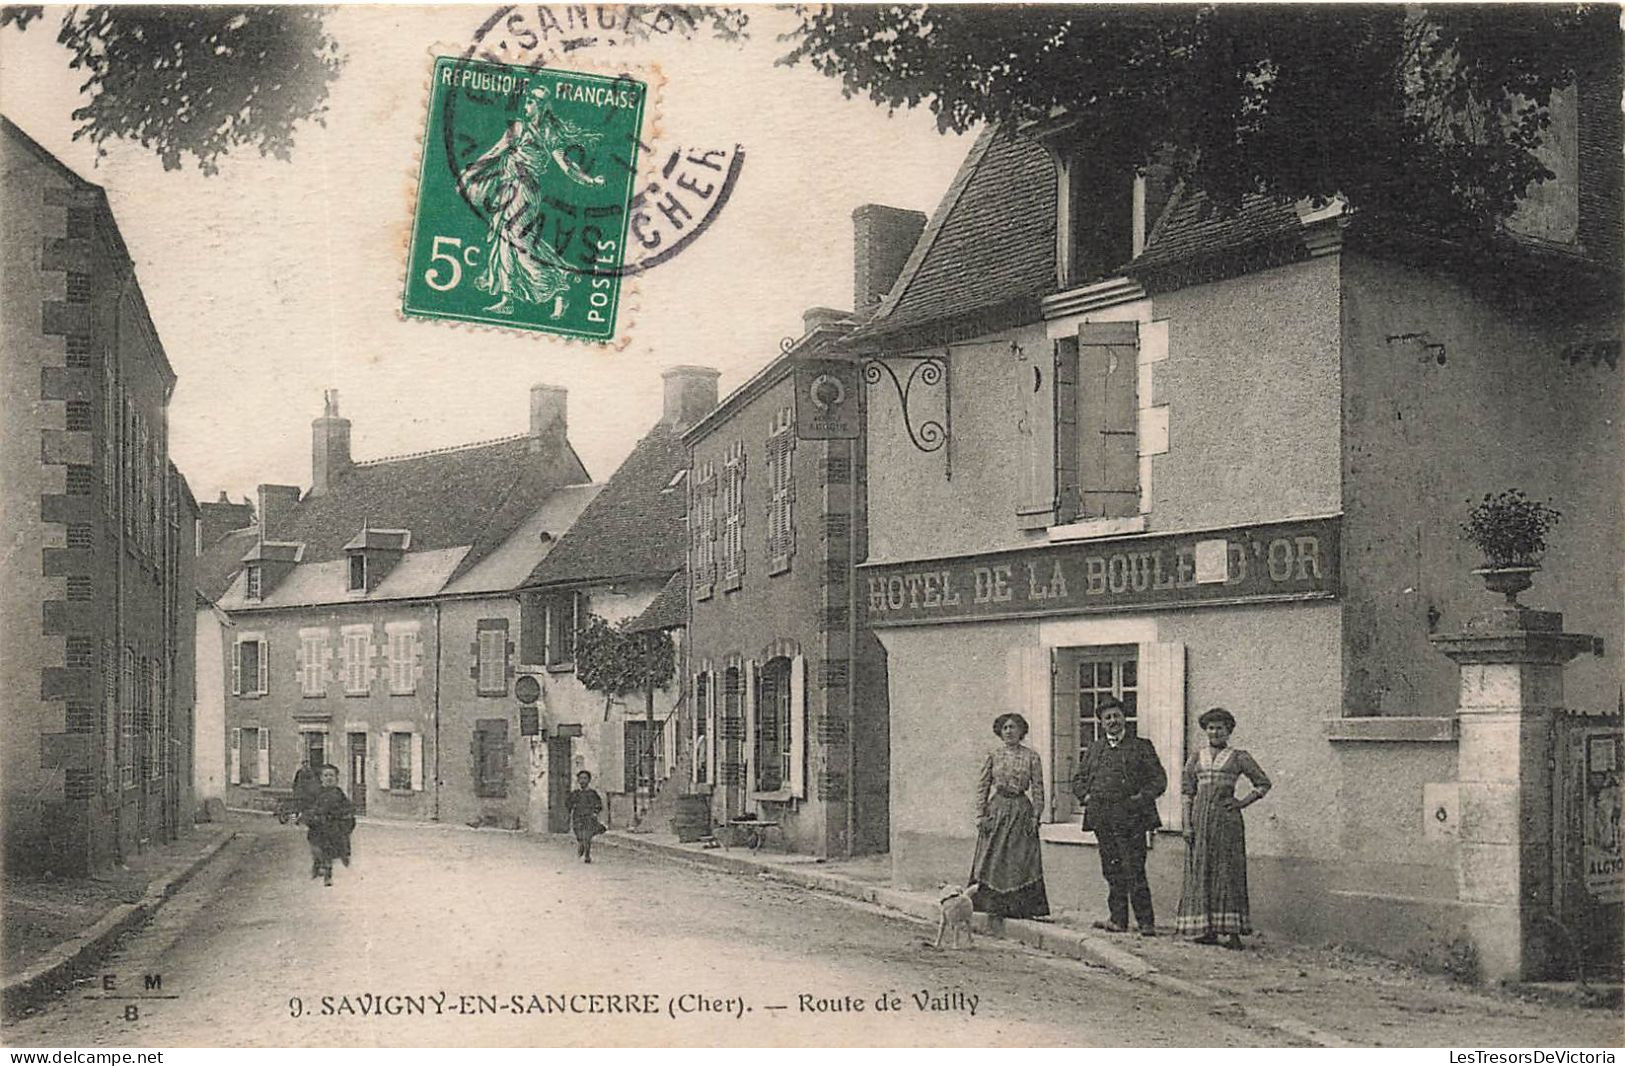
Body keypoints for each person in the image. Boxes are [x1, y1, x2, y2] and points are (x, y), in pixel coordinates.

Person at [458, 85, 608, 319]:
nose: (526, 106)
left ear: (541, 106)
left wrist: (590, 180)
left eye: (530, 102)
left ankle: (559, 285)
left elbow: (567, 166)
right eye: (526, 101)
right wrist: (471, 173)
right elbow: (494, 153)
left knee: (520, 241)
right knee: (505, 239)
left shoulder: (550, 134)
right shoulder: (517, 128)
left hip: (526, 192)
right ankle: (508, 298)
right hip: (508, 189)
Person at [1176, 707, 1272, 949]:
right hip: (1200, 822)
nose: (1215, 732)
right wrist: (1187, 825)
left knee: (1227, 871)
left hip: (1226, 823)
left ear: (1228, 731)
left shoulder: (1239, 757)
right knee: (1201, 870)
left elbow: (1263, 784)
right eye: (1210, 727)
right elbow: (1187, 793)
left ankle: (1232, 933)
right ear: (1205, 731)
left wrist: (1241, 803)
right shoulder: (1196, 758)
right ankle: (1205, 929)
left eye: (1220, 727)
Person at [1071, 698, 1167, 936]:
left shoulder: (1141, 746)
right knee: (1111, 870)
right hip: (1103, 818)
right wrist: (1087, 797)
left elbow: (1158, 781)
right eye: (1108, 718)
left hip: (1133, 819)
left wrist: (1139, 799)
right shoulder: (1095, 749)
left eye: (1116, 716)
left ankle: (1146, 922)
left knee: (1134, 868)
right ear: (1102, 723)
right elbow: (1079, 780)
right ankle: (1118, 919)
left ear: (1124, 718)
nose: (1113, 721)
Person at [969, 713, 1050, 919]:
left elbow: (1039, 788)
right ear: (1000, 732)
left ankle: (1020, 906)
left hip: (1021, 810)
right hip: (997, 810)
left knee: (1020, 857)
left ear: (1021, 731)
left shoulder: (1031, 757)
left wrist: (1036, 816)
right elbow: (983, 786)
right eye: (1005, 728)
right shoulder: (993, 755)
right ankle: (992, 903)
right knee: (993, 855)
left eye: (1013, 727)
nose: (1009, 732)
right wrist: (980, 815)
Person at [305, 764, 356, 887]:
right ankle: (317, 865)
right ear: (321, 778)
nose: (329, 778)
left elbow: (348, 808)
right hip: (317, 828)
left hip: (332, 828)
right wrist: (311, 817)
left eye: (331, 775)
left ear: (336, 778)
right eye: (326, 775)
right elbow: (308, 808)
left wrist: (344, 818)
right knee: (316, 849)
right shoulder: (315, 793)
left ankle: (328, 875)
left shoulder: (338, 793)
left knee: (328, 851)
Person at [565, 770, 605, 863]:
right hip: (577, 817)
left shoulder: (592, 793)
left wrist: (595, 812)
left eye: (585, 778)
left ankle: (587, 855)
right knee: (579, 834)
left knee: (587, 836)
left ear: (589, 780)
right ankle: (581, 844)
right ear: (578, 780)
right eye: (581, 778)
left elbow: (598, 804)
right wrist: (571, 808)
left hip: (589, 817)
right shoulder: (575, 793)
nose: (583, 781)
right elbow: (568, 803)